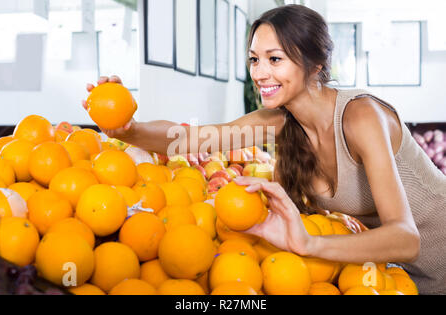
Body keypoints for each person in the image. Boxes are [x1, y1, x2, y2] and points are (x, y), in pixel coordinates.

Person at [83, 5, 446, 294]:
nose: (259, 73)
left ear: (315, 64)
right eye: (255, 59)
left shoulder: (361, 116)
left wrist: (309, 244)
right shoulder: (279, 121)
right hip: (393, 278)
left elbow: (405, 237)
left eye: (275, 59)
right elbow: (188, 139)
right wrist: (127, 128)